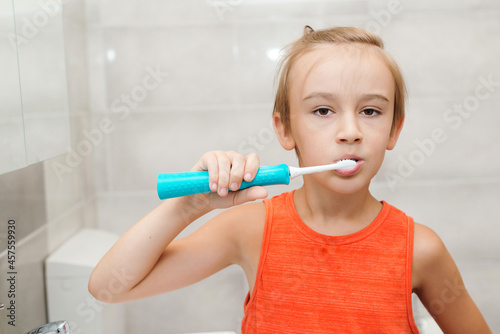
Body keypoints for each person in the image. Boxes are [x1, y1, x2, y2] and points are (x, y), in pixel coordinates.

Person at [89, 26, 491, 333]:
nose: (349, 131)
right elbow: (109, 287)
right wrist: (188, 206)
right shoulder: (252, 228)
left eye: (370, 111)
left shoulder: (419, 248)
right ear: (285, 131)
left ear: (393, 130)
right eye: (322, 111)